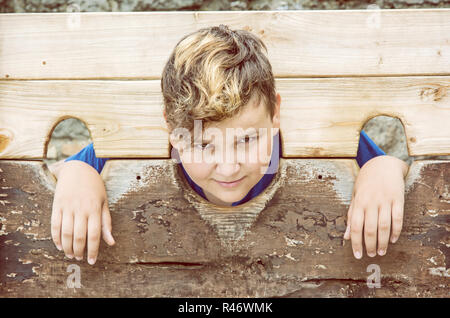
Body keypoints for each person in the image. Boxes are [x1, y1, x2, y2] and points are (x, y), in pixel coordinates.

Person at [50, 24, 409, 265]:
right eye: (204, 145)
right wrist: (78, 174)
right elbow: (64, 173)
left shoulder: (328, 143)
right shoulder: (124, 145)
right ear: (171, 130)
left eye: (247, 139)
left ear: (276, 113)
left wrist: (383, 168)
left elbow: (398, 172)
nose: (228, 167)